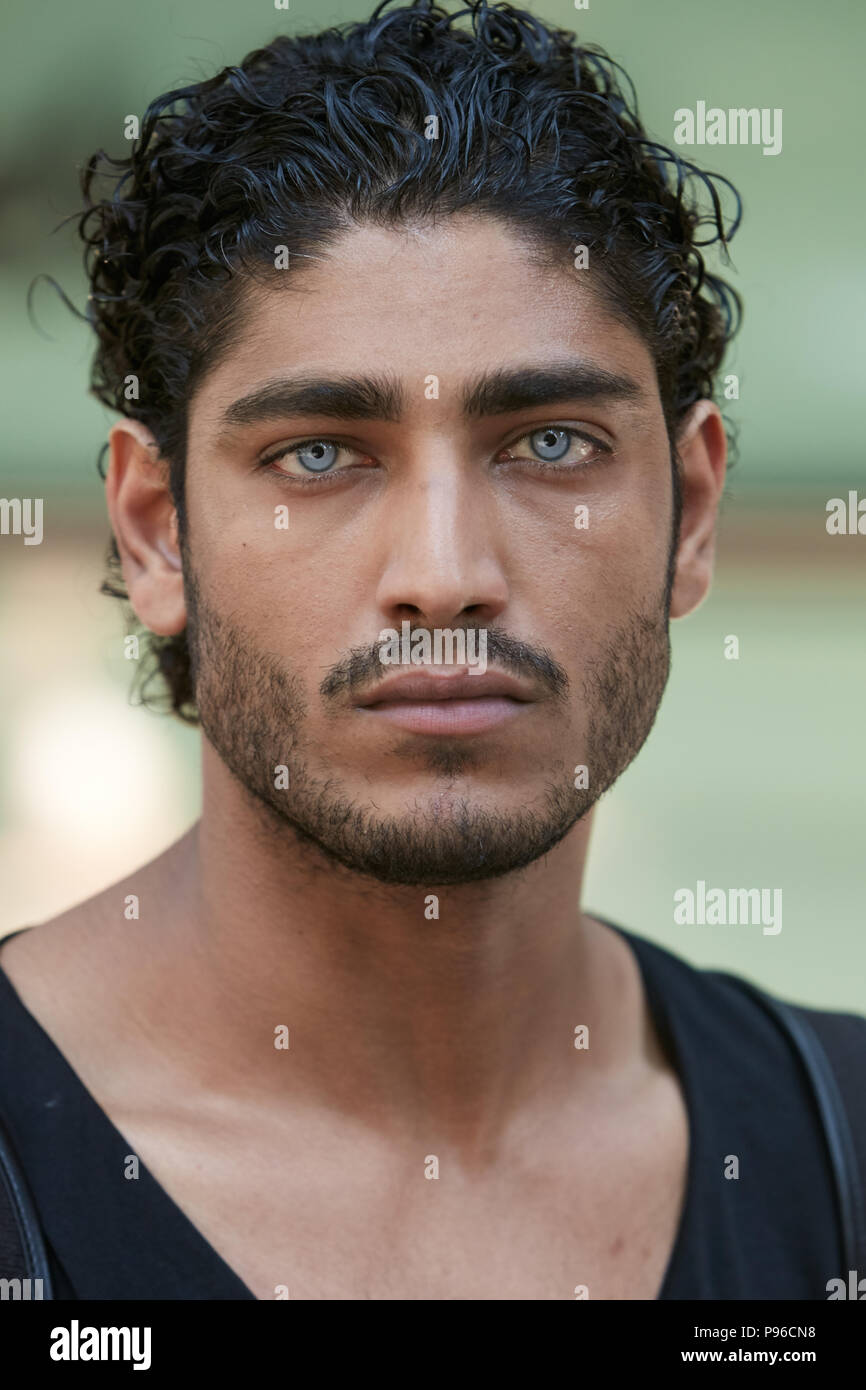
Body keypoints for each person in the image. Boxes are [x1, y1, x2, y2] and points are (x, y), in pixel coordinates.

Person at [1, 0, 863, 1302]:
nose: (447, 576)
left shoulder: (839, 1145)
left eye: (551, 442)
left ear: (689, 509)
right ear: (156, 532)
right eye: (319, 454)